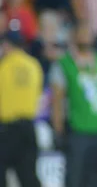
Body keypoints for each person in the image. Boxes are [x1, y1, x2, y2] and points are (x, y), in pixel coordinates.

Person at [50, 23, 97, 187]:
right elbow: (57, 101)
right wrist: (58, 128)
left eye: (88, 34)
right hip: (78, 130)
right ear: (74, 37)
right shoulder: (64, 64)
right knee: (75, 179)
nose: (86, 38)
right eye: (82, 33)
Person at [0, 26, 43, 187]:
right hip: (28, 128)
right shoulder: (34, 66)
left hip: (6, 129)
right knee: (29, 178)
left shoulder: (3, 66)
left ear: (6, 45)